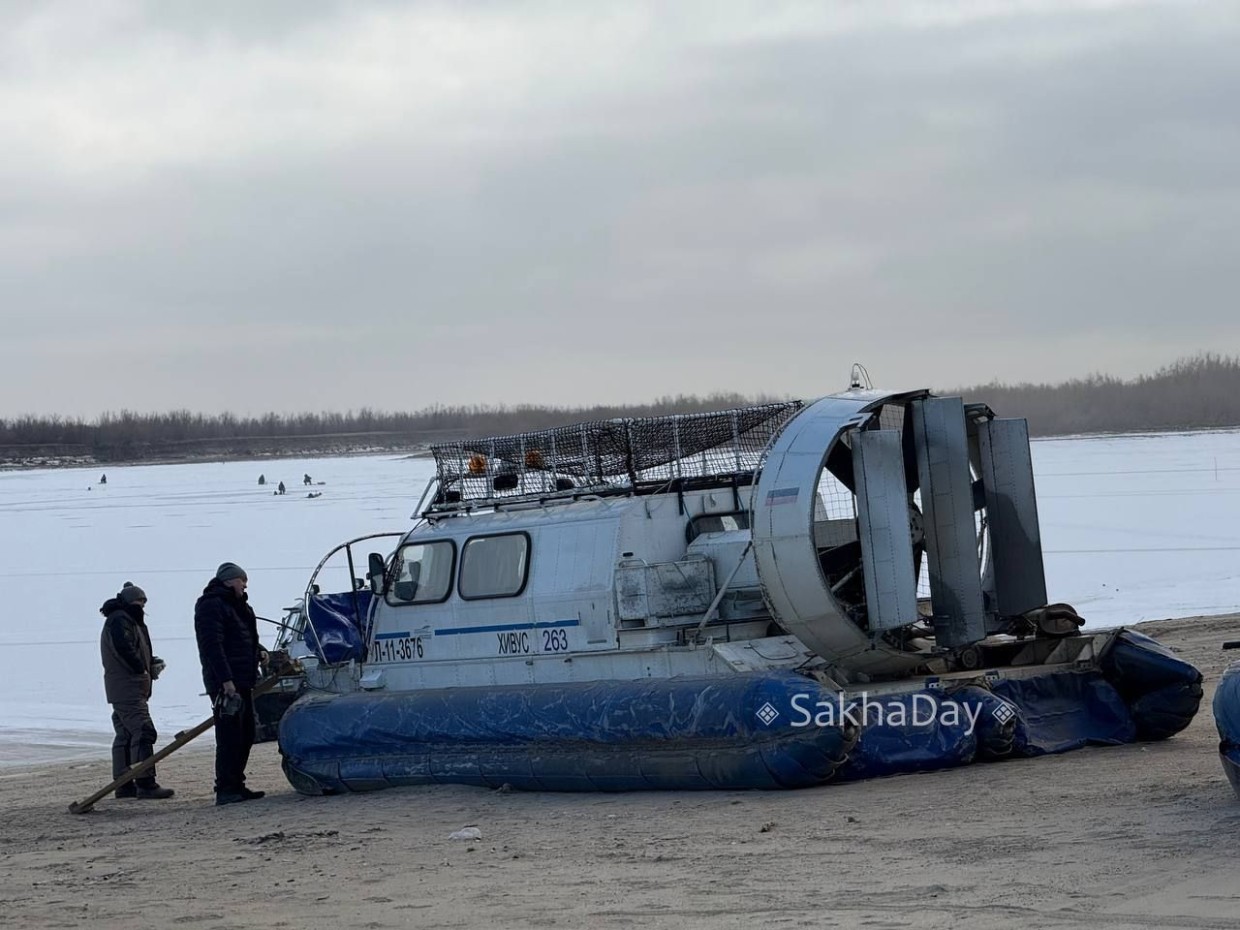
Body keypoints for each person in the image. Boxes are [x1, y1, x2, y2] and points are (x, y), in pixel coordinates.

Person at [194, 562, 266, 806]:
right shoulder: (211, 606)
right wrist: (226, 680)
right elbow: (212, 645)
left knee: (246, 734)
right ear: (228, 581)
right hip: (226, 684)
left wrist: (260, 652)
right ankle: (225, 789)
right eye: (241, 580)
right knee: (229, 736)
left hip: (243, 678)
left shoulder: (239, 606)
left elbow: (244, 638)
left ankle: (237, 784)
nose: (245, 585)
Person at [99, 582, 174, 800]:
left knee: (126, 733)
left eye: (143, 602)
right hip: (128, 686)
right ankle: (145, 782)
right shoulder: (121, 619)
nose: (141, 606)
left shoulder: (124, 619)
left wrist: (149, 663)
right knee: (143, 731)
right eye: (138, 601)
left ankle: (124, 784)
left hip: (124, 687)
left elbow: (132, 649)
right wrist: (141, 667)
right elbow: (124, 649)